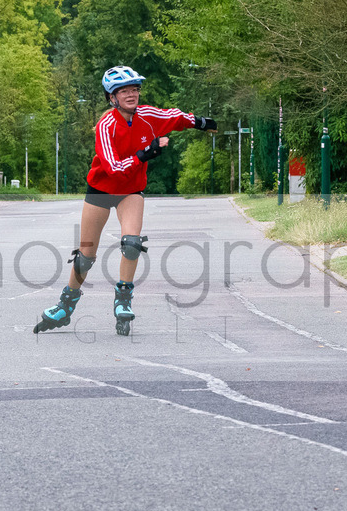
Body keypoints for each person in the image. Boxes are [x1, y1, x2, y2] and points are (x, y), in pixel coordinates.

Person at [34, 65, 217, 336]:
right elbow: (114, 169)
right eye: (124, 91)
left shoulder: (147, 116)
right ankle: (65, 305)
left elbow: (174, 117)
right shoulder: (105, 126)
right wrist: (145, 154)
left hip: (131, 191)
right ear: (112, 97)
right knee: (85, 256)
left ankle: (123, 300)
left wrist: (201, 123)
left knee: (132, 244)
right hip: (101, 189)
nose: (131, 95)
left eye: (135, 89)